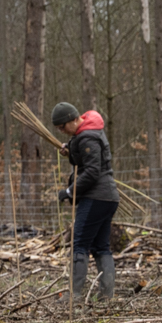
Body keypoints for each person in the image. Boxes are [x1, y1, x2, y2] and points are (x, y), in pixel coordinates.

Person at [51, 102, 118, 302]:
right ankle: (106, 295)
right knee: (100, 247)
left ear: (73, 119)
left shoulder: (87, 136)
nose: (62, 131)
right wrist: (71, 151)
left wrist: (69, 191)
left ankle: (74, 294)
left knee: (79, 244)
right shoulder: (89, 132)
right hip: (108, 198)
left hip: (95, 198)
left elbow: (91, 171)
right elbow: (87, 159)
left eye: (63, 127)